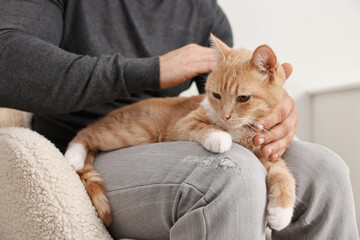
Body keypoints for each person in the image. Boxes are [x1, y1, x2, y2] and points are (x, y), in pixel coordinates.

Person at [0, 0, 358, 239]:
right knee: (230, 173)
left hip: (170, 140)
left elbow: (232, 88)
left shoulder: (204, 11)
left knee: (326, 170)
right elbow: (6, 61)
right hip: (95, 144)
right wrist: (152, 71)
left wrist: (275, 103)